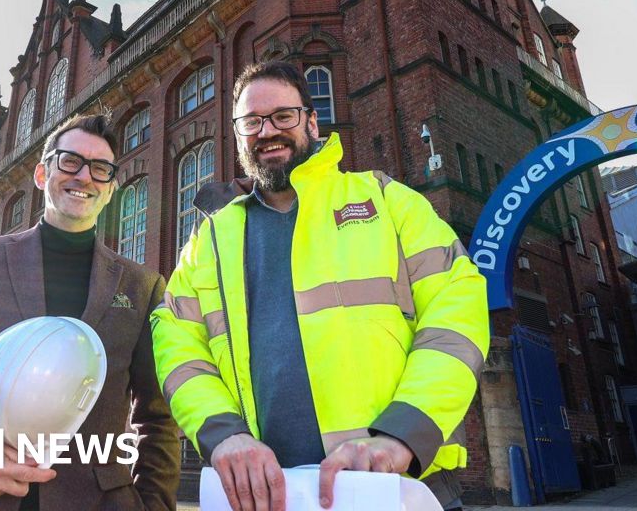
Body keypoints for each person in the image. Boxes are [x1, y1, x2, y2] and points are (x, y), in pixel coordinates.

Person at [150, 61, 489, 511]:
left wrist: (401, 433)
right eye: (251, 121)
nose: (267, 130)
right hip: (266, 497)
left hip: (394, 486)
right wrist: (223, 434)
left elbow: (456, 312)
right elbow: (176, 344)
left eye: (283, 116)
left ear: (312, 121)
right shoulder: (209, 239)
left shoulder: (386, 201)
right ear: (238, 134)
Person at [0, 115, 180, 511]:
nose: (84, 177)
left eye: (100, 169)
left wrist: (152, 505)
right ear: (43, 174)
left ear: (111, 189)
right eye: (70, 162)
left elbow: (158, 417)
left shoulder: (141, 286)